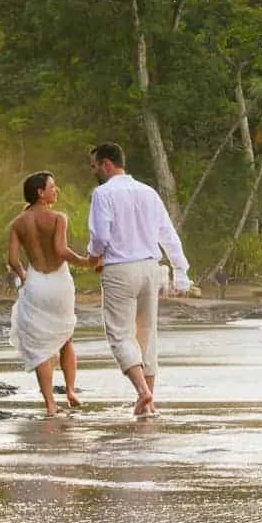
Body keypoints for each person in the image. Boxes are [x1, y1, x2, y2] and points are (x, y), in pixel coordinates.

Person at [86, 143, 191, 417]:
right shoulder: (148, 192)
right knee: (147, 335)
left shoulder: (103, 193)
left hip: (120, 268)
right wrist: (181, 273)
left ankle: (143, 392)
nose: (93, 171)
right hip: (150, 268)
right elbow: (168, 234)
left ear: (107, 164)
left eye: (95, 165)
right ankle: (149, 404)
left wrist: (93, 256)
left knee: (119, 333)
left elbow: (100, 236)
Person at [8, 171, 91, 417]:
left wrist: (24, 276)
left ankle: (50, 404)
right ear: (39, 193)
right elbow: (61, 250)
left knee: (40, 345)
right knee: (65, 338)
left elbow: (13, 259)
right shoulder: (58, 218)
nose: (57, 190)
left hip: (36, 283)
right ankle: (71, 390)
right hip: (59, 283)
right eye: (52, 187)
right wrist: (85, 262)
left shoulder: (18, 223)